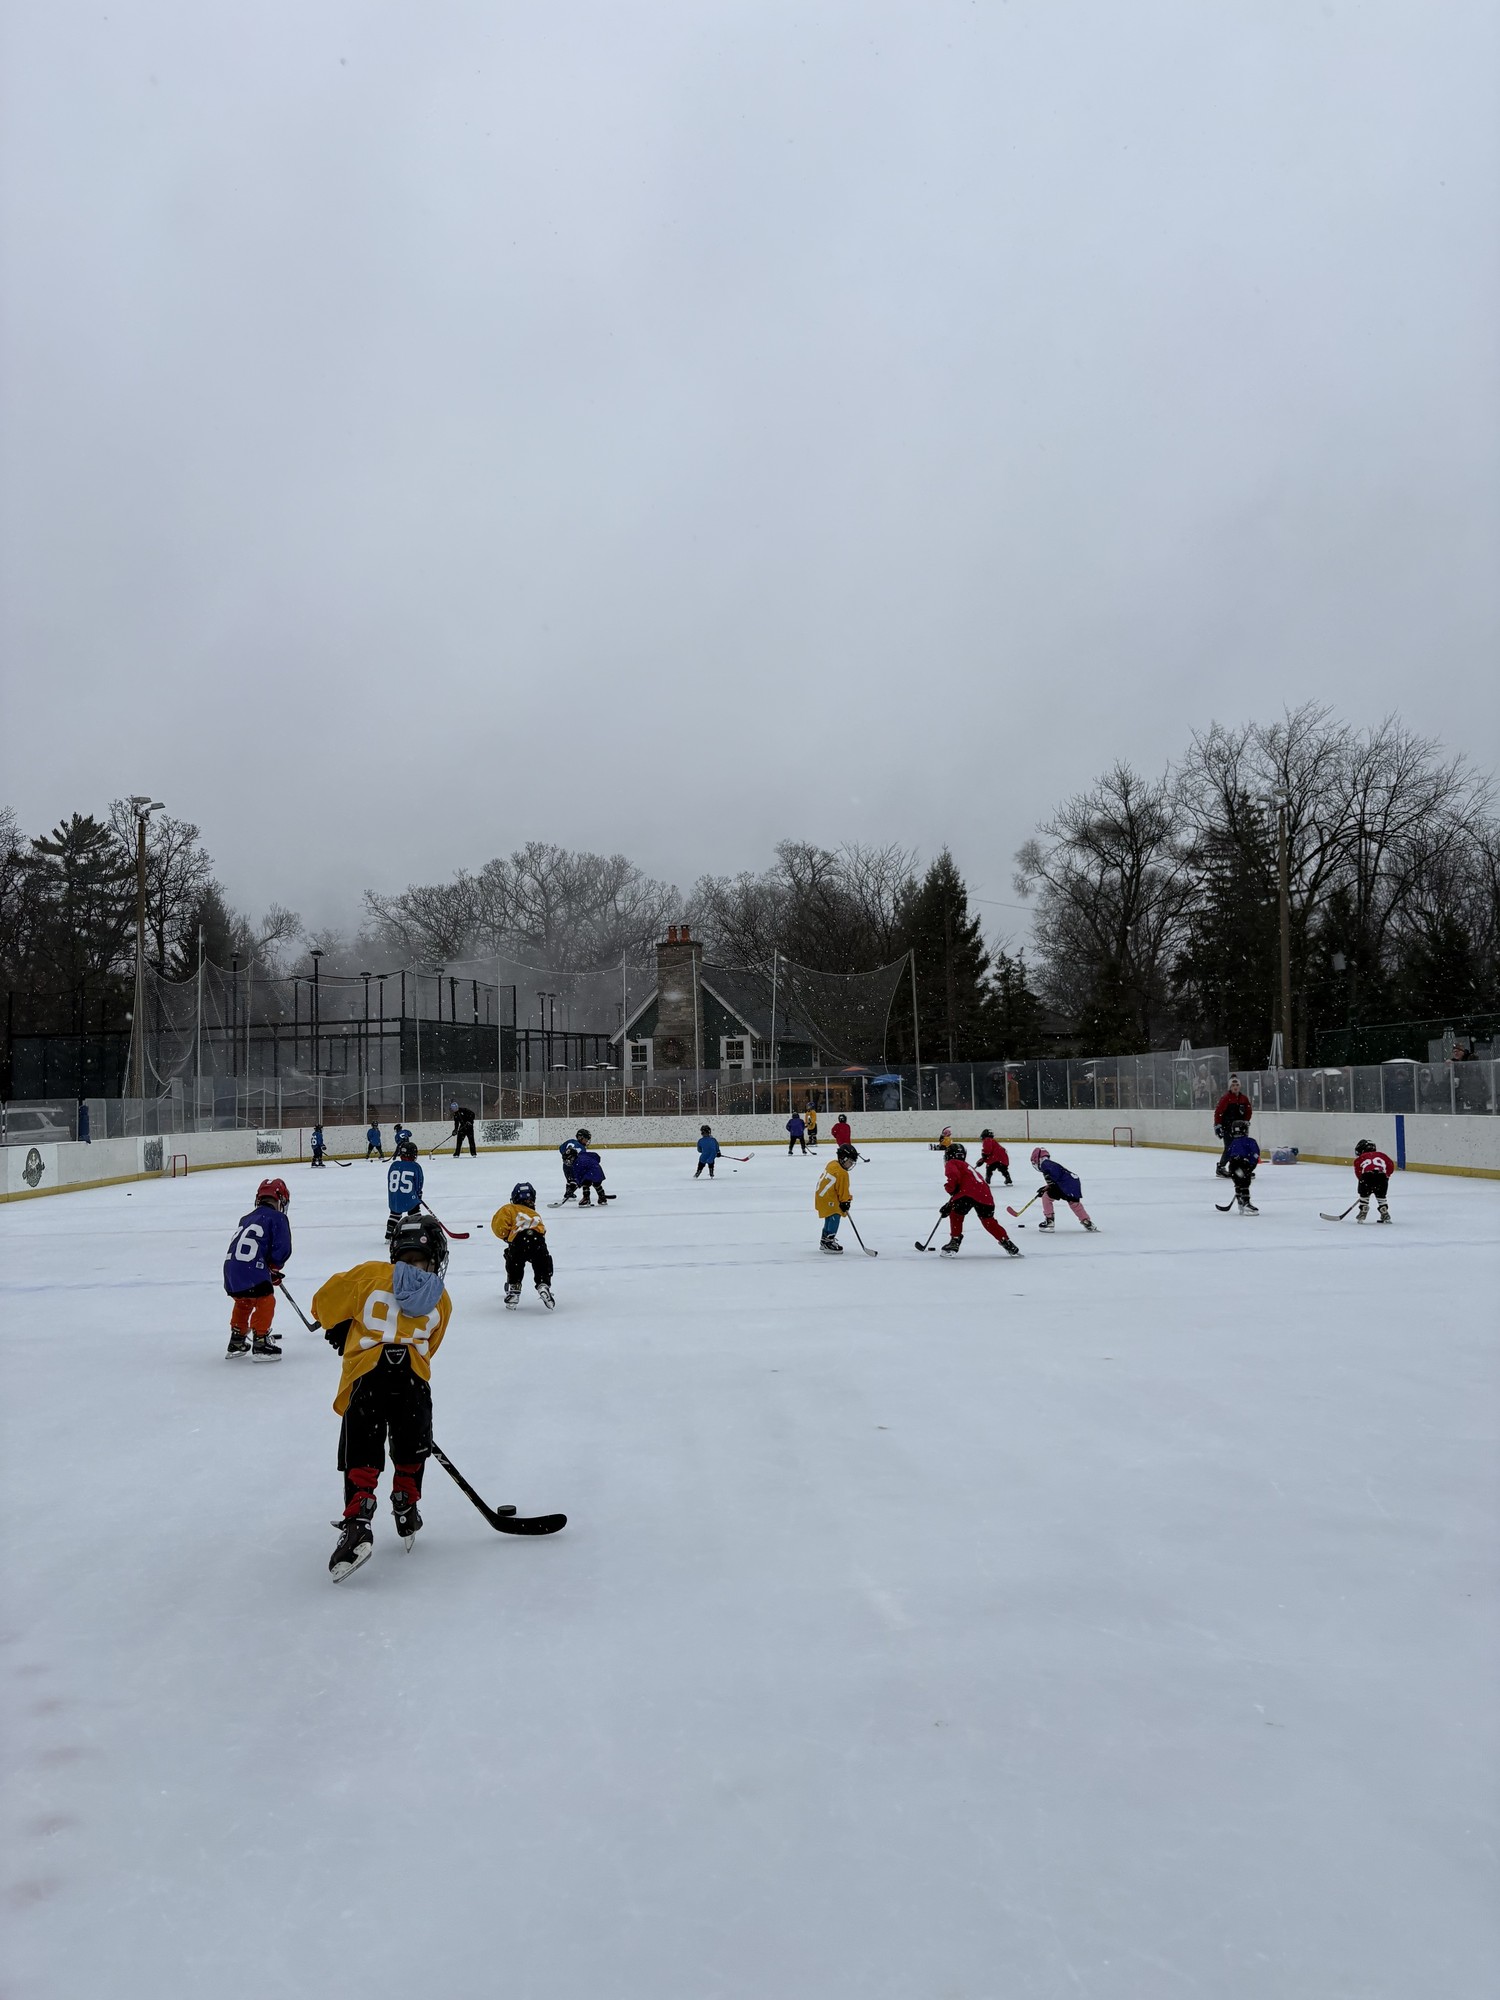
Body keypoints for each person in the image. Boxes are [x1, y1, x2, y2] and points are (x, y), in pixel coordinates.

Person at [314, 1211, 451, 1581]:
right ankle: (406, 1504)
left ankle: (358, 1521)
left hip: (367, 1379)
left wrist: (341, 1325)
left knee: (362, 1447)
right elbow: (430, 1348)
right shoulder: (441, 1299)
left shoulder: (369, 1275)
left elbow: (323, 1303)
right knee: (413, 1445)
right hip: (413, 1382)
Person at [223, 1177, 292, 1360]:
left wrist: (267, 1271)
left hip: (231, 1270)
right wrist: (274, 1268)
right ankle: (261, 1341)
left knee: (244, 1300)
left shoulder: (246, 1218)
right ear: (281, 1200)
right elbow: (282, 1248)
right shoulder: (278, 1218)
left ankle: (237, 1339)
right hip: (252, 1269)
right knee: (265, 1300)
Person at [939, 1143, 1020, 1256]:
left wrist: (950, 1190)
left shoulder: (952, 1162)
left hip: (967, 1194)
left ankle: (955, 1241)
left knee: (956, 1214)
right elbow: (972, 1185)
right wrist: (951, 1202)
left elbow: (954, 1176)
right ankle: (1006, 1242)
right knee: (988, 1220)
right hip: (985, 1196)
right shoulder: (967, 1167)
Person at [491, 1181, 554, 1309]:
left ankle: (514, 1288)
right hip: (537, 1240)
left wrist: (506, 1236)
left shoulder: (508, 1209)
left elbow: (499, 1226)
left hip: (518, 1240)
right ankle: (543, 1284)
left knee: (514, 1263)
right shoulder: (534, 1214)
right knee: (543, 1262)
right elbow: (542, 1230)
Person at [1030, 1147, 1095, 1231]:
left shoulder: (1045, 1164)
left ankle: (1049, 1221)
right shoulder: (1050, 1164)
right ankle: (1087, 1222)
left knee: (1046, 1196)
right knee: (1074, 1203)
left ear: (1037, 1159)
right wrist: (1048, 1187)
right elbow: (1058, 1178)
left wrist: (1050, 1187)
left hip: (1065, 1184)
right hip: (1073, 1183)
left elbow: (1055, 1178)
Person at [815, 1143, 858, 1253]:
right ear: (843, 1158)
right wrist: (845, 1202)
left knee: (829, 1217)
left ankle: (824, 1240)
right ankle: (829, 1242)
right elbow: (843, 1190)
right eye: (850, 1161)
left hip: (821, 1196)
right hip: (829, 1198)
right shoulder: (842, 1173)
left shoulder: (832, 1163)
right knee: (835, 1216)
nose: (851, 1164)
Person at [386, 1139, 424, 1248]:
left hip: (395, 1197)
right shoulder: (415, 1166)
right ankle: (417, 1234)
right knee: (415, 1214)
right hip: (409, 1197)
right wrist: (418, 1195)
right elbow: (419, 1183)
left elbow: (389, 1180)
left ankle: (388, 1235)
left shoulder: (394, 1165)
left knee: (394, 1215)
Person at [1213, 1076, 1253, 1177]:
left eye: (1237, 1085)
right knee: (1230, 1148)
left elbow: (1248, 1111)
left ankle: (1238, 1168)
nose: (1235, 1087)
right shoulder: (1226, 1098)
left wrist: (1246, 1121)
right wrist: (1218, 1125)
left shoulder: (1244, 1099)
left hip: (1240, 1128)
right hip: (1228, 1128)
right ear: (1230, 1087)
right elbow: (1218, 1112)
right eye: (1233, 1085)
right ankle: (1221, 1167)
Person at [1353, 1137, 1396, 1223]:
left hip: (1367, 1176)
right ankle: (1384, 1209)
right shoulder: (1382, 1155)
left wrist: (1362, 1181)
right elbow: (1390, 1165)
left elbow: (1358, 1172)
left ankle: (1363, 1208)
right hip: (1381, 1176)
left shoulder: (1360, 1158)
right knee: (1381, 1196)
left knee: (1364, 1195)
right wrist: (1386, 1176)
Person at [1223, 1122, 1261, 1213]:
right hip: (1242, 1165)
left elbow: (1228, 1154)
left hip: (1233, 1166)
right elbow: (1255, 1154)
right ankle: (1246, 1203)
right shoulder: (1250, 1141)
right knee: (1245, 1183)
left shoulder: (1233, 1142)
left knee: (1238, 1183)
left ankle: (1240, 1200)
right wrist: (1251, 1165)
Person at [573, 1134, 612, 1205]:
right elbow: (596, 1156)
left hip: (591, 1172)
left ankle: (586, 1199)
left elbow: (579, 1175)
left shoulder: (576, 1163)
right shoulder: (583, 1154)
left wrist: (578, 1183)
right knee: (597, 1184)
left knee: (585, 1183)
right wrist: (593, 1164)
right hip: (598, 1170)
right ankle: (602, 1197)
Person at [557, 1131, 585, 1203]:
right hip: (574, 1166)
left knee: (569, 1179)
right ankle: (569, 1194)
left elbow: (561, 1148)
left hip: (565, 1165)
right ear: (580, 1138)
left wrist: (566, 1157)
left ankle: (569, 1193)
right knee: (574, 1180)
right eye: (586, 1139)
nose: (587, 1141)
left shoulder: (571, 1141)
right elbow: (582, 1160)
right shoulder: (582, 1148)